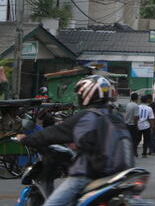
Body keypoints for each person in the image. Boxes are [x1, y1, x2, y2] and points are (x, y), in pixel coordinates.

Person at [17, 75, 132, 206]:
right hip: (120, 174)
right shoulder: (116, 117)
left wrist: (28, 139)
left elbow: (53, 133)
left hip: (90, 174)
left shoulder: (86, 116)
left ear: (86, 95)